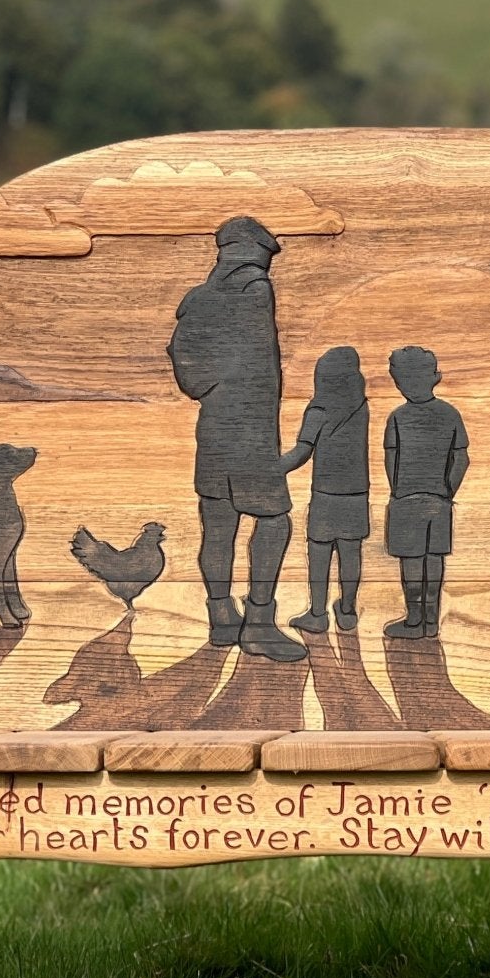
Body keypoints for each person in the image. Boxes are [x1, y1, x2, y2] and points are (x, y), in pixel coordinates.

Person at [167, 215, 306, 662]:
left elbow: (184, 362)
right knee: (273, 520)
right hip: (251, 428)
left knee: (219, 523)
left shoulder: (196, 299)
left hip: (213, 427)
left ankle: (221, 617)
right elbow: (259, 366)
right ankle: (260, 623)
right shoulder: (254, 291)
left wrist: (210, 388)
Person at [279, 346, 370, 633]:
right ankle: (347, 611)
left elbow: (301, 453)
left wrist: (270, 468)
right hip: (357, 493)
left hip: (326, 493)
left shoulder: (319, 408)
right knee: (351, 552)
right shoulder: (361, 406)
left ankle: (317, 614)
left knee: (319, 552)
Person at [381, 345, 468, 639]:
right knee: (435, 559)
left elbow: (391, 459)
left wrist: (399, 490)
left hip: (406, 500)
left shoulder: (397, 417)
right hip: (439, 502)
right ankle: (430, 621)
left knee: (412, 562)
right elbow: (462, 457)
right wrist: (446, 491)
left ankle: (414, 619)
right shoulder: (450, 413)